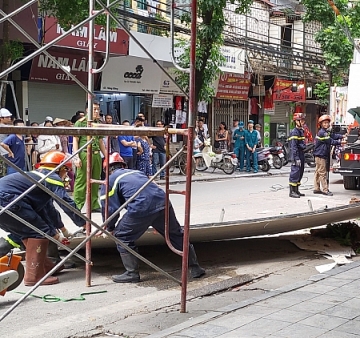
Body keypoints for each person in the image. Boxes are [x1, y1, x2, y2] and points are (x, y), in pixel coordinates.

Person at [99, 153, 206, 283]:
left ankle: (132, 273)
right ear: (123, 165)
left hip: (141, 206)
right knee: (176, 234)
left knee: (121, 236)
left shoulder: (110, 180)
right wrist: (156, 222)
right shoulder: (136, 173)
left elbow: (109, 208)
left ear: (106, 169)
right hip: (163, 201)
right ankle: (195, 267)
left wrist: (109, 228)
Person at [0, 151, 85, 285]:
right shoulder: (51, 177)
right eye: (66, 172)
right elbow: (65, 202)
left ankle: (45, 267)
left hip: (6, 202)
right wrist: (84, 223)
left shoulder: (36, 178)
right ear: (62, 168)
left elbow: (48, 210)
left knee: (29, 232)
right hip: (8, 200)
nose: (66, 176)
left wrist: (62, 232)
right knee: (39, 233)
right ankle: (34, 277)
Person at [72, 101, 107, 212]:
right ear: (87, 110)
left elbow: (101, 141)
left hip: (97, 155)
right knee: (81, 181)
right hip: (84, 154)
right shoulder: (80, 123)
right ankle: (77, 205)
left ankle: (94, 205)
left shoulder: (98, 123)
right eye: (94, 109)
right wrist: (76, 157)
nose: (96, 112)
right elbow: (75, 140)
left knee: (96, 181)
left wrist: (107, 157)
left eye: (98, 109)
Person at [313, 115, 344, 196]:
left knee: (318, 171)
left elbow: (333, 136)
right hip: (320, 155)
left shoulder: (326, 132)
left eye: (327, 123)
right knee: (322, 173)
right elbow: (330, 141)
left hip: (320, 154)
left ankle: (316, 188)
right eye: (325, 123)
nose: (327, 124)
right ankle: (325, 190)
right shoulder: (322, 133)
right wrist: (341, 142)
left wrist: (342, 136)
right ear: (321, 124)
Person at [288, 113, 306, 198]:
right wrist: (296, 158)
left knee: (300, 172)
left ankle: (296, 190)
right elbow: (293, 146)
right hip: (296, 155)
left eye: (303, 120)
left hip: (301, 154)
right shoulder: (294, 132)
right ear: (296, 121)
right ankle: (292, 192)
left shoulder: (301, 131)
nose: (303, 122)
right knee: (295, 172)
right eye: (301, 120)